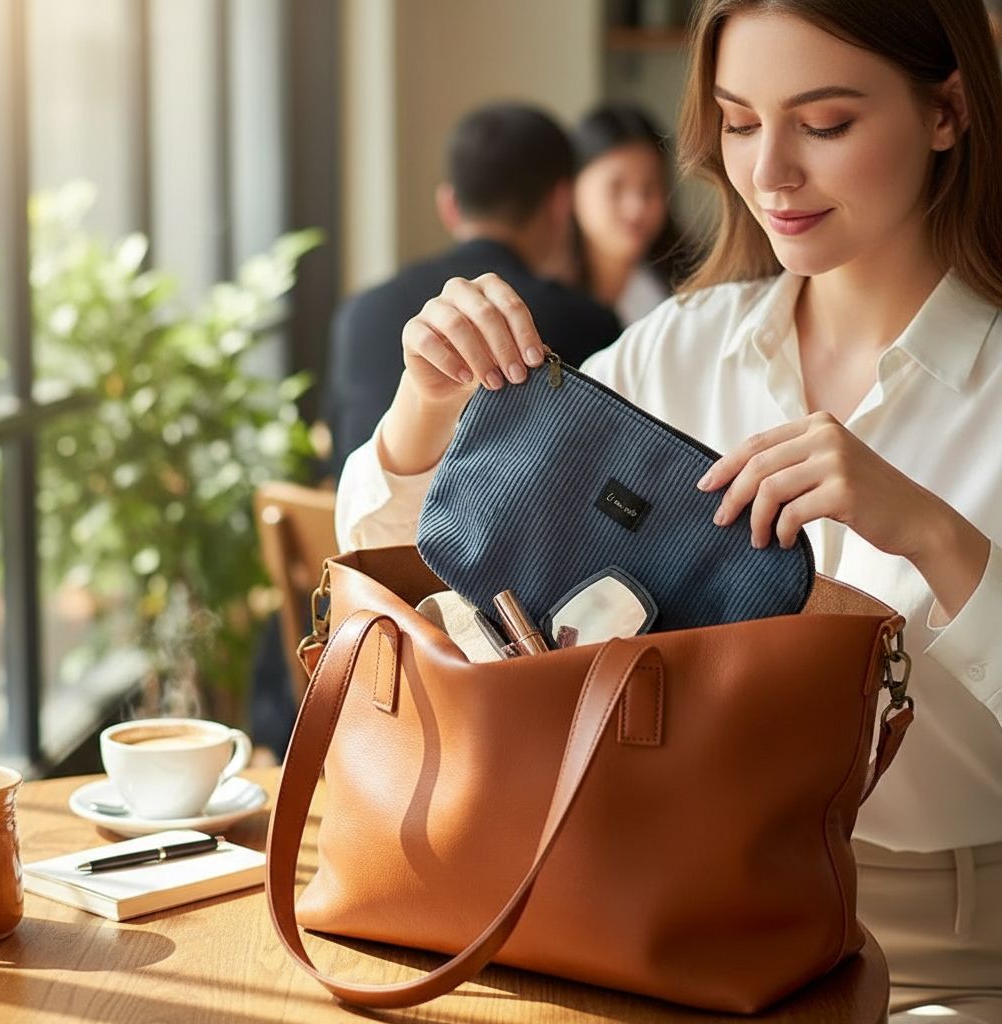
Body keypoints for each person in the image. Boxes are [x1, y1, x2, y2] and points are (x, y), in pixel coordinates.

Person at [335, 0, 1002, 1019]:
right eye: (738, 121)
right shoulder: (675, 350)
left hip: (940, 950)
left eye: (824, 124)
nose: (770, 171)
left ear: (947, 110)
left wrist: (928, 532)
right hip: (649, 905)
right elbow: (397, 575)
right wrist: (425, 410)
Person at [323, 102, 621, 476]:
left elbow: (333, 468)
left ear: (449, 205)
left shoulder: (359, 311)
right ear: (562, 202)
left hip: (362, 531)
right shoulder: (586, 324)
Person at [569, 103, 692, 325]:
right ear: (573, 188)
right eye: (616, 187)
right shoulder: (540, 297)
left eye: (650, 188)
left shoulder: (689, 294)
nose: (637, 208)